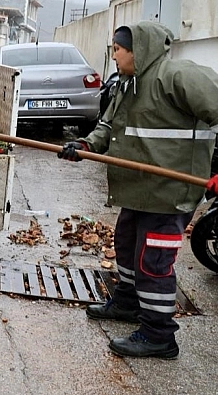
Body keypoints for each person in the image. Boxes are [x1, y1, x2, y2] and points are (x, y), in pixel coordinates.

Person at [58, 21, 218, 359]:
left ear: (137, 50)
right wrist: (84, 144)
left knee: (153, 262)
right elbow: (107, 128)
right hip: (139, 191)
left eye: (118, 48)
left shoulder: (176, 76)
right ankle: (129, 303)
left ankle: (159, 335)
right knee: (128, 245)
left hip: (169, 193)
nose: (113, 54)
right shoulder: (127, 85)